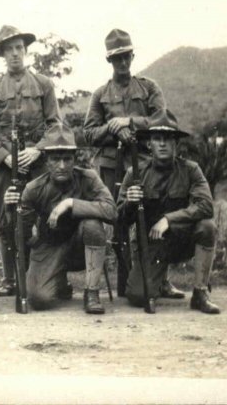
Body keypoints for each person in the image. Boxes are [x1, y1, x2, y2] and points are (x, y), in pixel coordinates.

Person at [82, 28, 173, 297]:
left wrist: (129, 122)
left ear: (132, 56)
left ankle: (160, 280)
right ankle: (124, 283)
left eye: (126, 57)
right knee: (118, 218)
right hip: (112, 166)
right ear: (109, 60)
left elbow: (162, 121)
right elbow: (88, 133)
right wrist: (112, 128)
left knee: (154, 216)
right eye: (116, 58)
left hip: (145, 163)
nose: (122, 63)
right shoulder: (100, 94)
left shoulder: (148, 87)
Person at [0, 25, 61, 297]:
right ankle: (10, 280)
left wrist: (38, 150)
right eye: (9, 49)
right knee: (6, 219)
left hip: (38, 164)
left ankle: (49, 276)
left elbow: (55, 127)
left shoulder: (43, 84)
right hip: (7, 168)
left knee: (42, 217)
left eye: (18, 48)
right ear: (2, 54)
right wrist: (7, 160)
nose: (15, 54)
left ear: (25, 51)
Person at [116, 109, 221, 314]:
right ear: (149, 144)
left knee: (207, 227)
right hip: (151, 245)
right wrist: (129, 202)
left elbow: (206, 206)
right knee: (139, 296)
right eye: (157, 138)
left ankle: (200, 293)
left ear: (176, 143)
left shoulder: (191, 170)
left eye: (168, 138)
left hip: (182, 240)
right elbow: (118, 219)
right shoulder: (134, 173)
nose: (162, 143)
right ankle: (160, 282)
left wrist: (169, 219)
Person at [4, 124, 117, 313]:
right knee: (39, 300)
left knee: (92, 224)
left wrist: (72, 203)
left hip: (80, 246)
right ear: (47, 161)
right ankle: (59, 282)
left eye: (67, 159)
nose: (62, 166)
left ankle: (92, 293)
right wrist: (11, 208)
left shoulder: (88, 178)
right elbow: (19, 234)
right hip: (49, 246)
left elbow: (112, 211)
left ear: (75, 159)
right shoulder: (34, 188)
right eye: (56, 159)